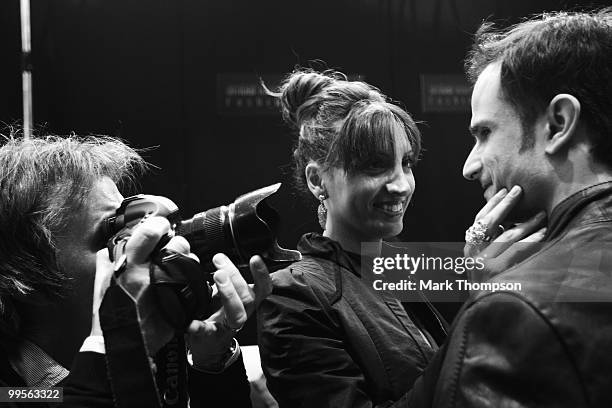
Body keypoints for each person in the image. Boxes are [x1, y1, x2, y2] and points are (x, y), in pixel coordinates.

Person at [404, 9, 612, 407]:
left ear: (558, 123)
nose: (469, 166)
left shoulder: (510, 312)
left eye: (484, 133)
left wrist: (488, 304)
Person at [0, 135, 270, 407]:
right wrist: (114, 350)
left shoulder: (156, 351)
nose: (136, 255)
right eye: (113, 238)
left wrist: (209, 361)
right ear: (26, 271)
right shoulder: (11, 392)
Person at [256, 70, 447, 407]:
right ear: (317, 180)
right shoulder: (291, 296)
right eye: (375, 165)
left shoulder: (400, 270)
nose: (401, 184)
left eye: (406, 163)